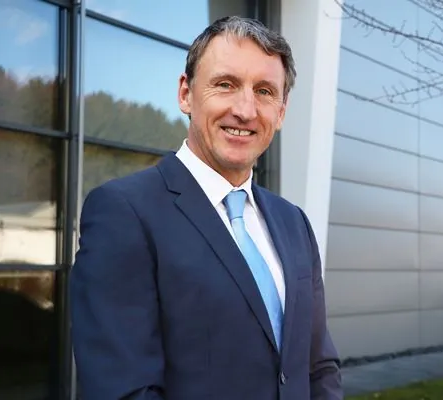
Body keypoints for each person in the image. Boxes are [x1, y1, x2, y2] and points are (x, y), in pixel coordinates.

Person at [69, 15, 343, 400]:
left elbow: (318, 366)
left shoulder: (294, 222)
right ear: (186, 93)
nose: (245, 110)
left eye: (264, 91)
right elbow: (124, 390)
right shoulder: (124, 213)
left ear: (281, 112)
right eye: (226, 84)